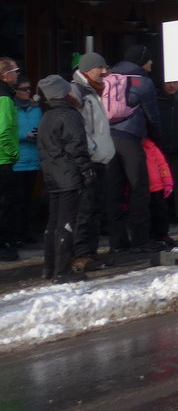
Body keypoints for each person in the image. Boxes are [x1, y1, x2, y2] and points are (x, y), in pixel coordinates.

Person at [105, 44, 163, 253]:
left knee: (114, 191)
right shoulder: (144, 83)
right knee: (139, 188)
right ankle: (141, 239)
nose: (152, 63)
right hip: (130, 138)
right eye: (149, 59)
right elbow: (152, 116)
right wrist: (157, 137)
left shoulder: (109, 78)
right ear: (141, 60)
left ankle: (117, 242)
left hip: (108, 139)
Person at [35, 74, 91, 283]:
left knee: (53, 223)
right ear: (63, 93)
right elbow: (77, 147)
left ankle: (49, 268)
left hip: (52, 175)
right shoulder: (69, 115)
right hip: (68, 175)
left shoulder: (46, 116)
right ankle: (62, 271)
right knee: (66, 223)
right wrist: (87, 170)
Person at [69, 53, 115, 271]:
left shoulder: (93, 91)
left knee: (96, 209)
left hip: (98, 160)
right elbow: (81, 129)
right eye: (100, 68)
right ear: (87, 70)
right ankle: (81, 254)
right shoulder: (80, 92)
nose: (105, 72)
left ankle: (92, 252)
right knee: (85, 210)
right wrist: (92, 150)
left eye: (105, 67)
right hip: (88, 161)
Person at [13, 75, 43, 246]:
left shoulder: (36, 108)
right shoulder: (10, 108)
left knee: (28, 200)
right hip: (17, 160)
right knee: (16, 200)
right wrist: (25, 135)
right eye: (23, 89)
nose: (28, 92)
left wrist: (39, 133)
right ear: (16, 92)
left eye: (29, 89)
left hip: (33, 159)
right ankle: (15, 233)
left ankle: (26, 232)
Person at [157, 80, 178, 223]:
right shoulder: (156, 99)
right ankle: (164, 214)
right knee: (162, 183)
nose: (172, 86)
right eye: (168, 83)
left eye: (175, 82)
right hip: (161, 149)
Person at [0, 58, 21, 260]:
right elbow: (4, 130)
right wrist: (13, 153)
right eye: (15, 71)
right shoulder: (4, 98)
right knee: (6, 205)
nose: (17, 75)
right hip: (3, 159)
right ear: (5, 75)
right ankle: (5, 247)